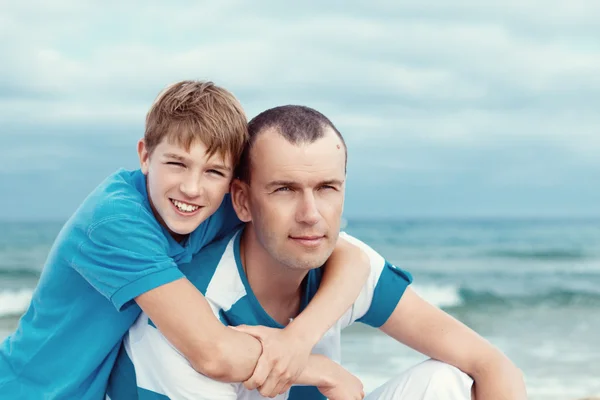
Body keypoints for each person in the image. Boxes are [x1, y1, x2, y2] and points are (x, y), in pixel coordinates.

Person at [106, 105, 528, 399]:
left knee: (445, 382)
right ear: (243, 201)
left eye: (327, 188)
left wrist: (298, 340)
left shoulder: (345, 267)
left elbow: (492, 366)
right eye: (285, 189)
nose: (311, 215)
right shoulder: (191, 313)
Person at [0, 82, 371, 399]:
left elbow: (351, 257)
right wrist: (321, 369)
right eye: (177, 163)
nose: (192, 188)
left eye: (213, 170)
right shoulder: (115, 223)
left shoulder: (210, 203)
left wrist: (298, 338)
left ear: (231, 181)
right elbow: (212, 352)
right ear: (145, 156)